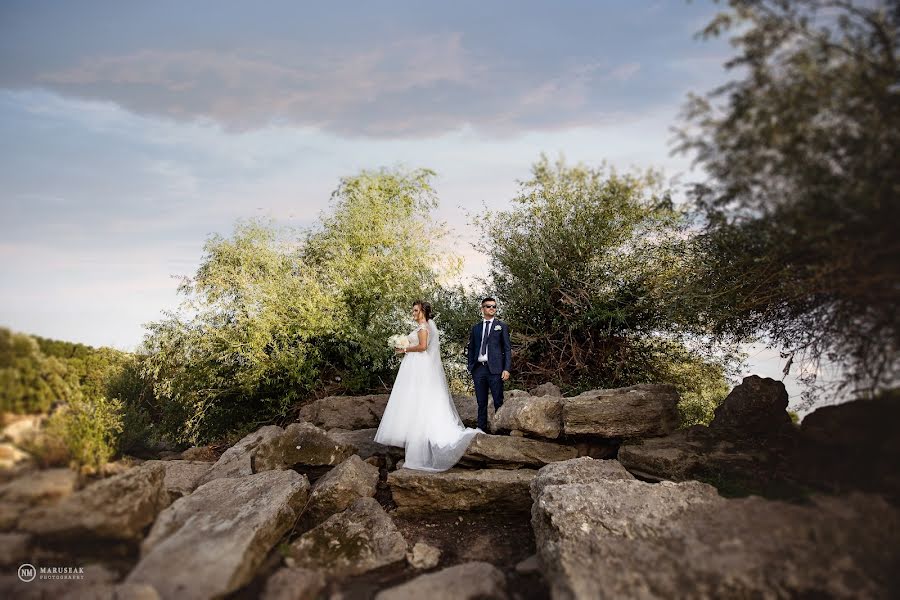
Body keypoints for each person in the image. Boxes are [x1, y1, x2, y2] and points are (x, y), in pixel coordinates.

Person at [374, 300, 480, 472]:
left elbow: (423, 347)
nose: (413, 313)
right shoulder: (423, 326)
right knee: (414, 400)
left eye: (416, 310)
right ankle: (416, 438)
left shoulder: (424, 327)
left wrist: (405, 349)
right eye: (413, 310)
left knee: (419, 399)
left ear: (423, 311)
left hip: (419, 366)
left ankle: (420, 448)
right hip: (415, 366)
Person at [466, 297, 511, 431]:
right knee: (481, 402)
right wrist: (471, 366)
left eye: (494, 306)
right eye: (488, 306)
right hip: (479, 369)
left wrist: (506, 369)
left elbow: (507, 348)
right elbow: (471, 348)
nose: (492, 308)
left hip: (496, 369)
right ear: (482, 309)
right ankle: (481, 429)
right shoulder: (476, 328)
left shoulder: (501, 326)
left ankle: (499, 430)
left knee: (498, 400)